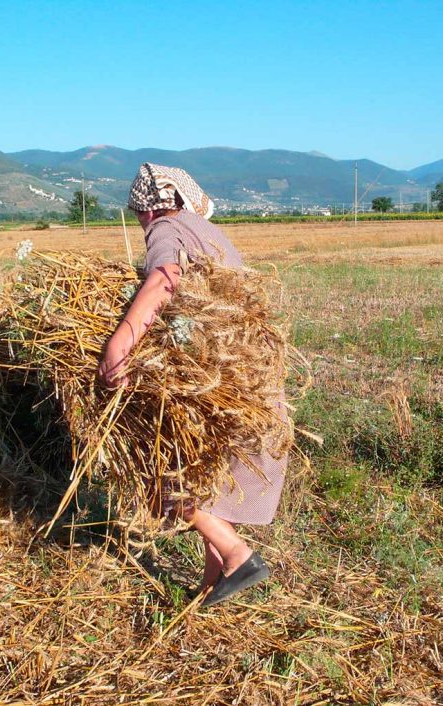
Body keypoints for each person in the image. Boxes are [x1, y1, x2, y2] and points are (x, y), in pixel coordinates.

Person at [97, 162, 286, 607]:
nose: (142, 222)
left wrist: (119, 345)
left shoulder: (165, 226)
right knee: (209, 480)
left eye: (139, 213)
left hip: (210, 380)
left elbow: (165, 279)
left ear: (149, 207)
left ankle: (239, 555)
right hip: (241, 376)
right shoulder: (207, 230)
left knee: (163, 476)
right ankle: (211, 583)